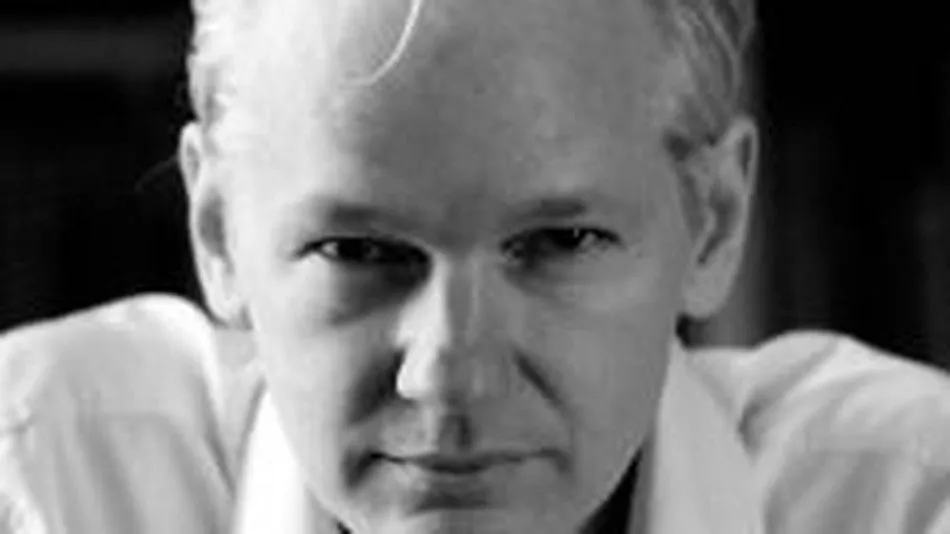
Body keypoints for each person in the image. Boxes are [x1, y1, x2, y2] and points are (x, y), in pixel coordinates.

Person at [2, 0, 950, 532]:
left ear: (713, 222)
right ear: (217, 233)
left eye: (561, 242)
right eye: (358, 251)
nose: (452, 374)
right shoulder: (34, 487)